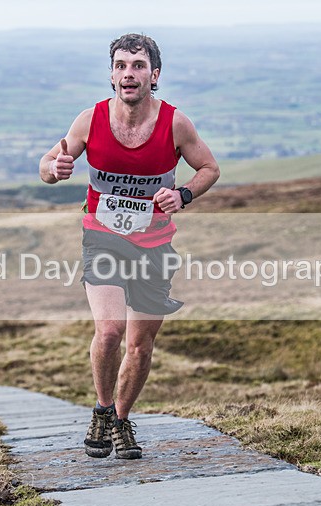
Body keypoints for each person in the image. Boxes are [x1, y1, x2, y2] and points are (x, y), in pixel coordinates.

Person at [39, 33, 219, 459]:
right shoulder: (90, 120)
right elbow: (47, 165)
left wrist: (184, 195)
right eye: (121, 66)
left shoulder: (175, 123)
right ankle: (102, 410)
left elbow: (209, 168)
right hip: (102, 238)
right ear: (112, 74)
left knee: (140, 344)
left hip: (154, 246)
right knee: (110, 330)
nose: (128, 73)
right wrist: (55, 168)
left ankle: (119, 420)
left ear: (154, 75)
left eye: (138, 66)